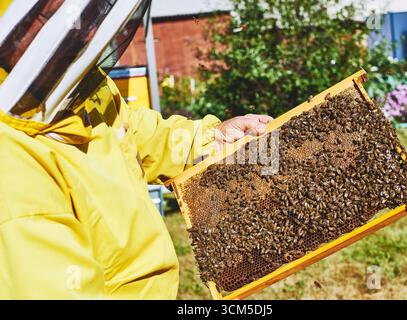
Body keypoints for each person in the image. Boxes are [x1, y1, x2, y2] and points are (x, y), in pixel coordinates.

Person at [0, 0, 272, 299]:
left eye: (82, 14)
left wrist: (208, 140)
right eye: (49, 17)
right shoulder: (12, 171)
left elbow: (132, 131)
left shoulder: (75, 86)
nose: (84, 32)